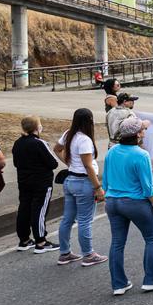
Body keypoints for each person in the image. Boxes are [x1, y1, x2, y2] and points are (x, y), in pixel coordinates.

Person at [102, 116, 153, 295]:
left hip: (112, 201)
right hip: (134, 202)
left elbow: (105, 181)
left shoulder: (112, 151)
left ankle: (118, 283)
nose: (145, 132)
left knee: (117, 242)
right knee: (152, 238)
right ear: (138, 134)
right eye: (143, 130)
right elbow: (147, 186)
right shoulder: (141, 155)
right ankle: (151, 279)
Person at [53, 109, 107, 266]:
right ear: (89, 121)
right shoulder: (85, 140)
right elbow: (88, 166)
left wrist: (69, 163)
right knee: (85, 220)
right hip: (84, 183)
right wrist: (97, 187)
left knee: (67, 219)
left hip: (70, 180)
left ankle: (64, 253)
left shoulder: (68, 133)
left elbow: (57, 149)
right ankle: (88, 254)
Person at [12, 116, 59, 254]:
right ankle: (41, 241)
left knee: (24, 208)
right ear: (36, 127)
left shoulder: (18, 143)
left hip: (24, 180)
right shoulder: (39, 143)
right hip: (41, 181)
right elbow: (53, 163)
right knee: (39, 209)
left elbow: (15, 163)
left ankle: (24, 239)